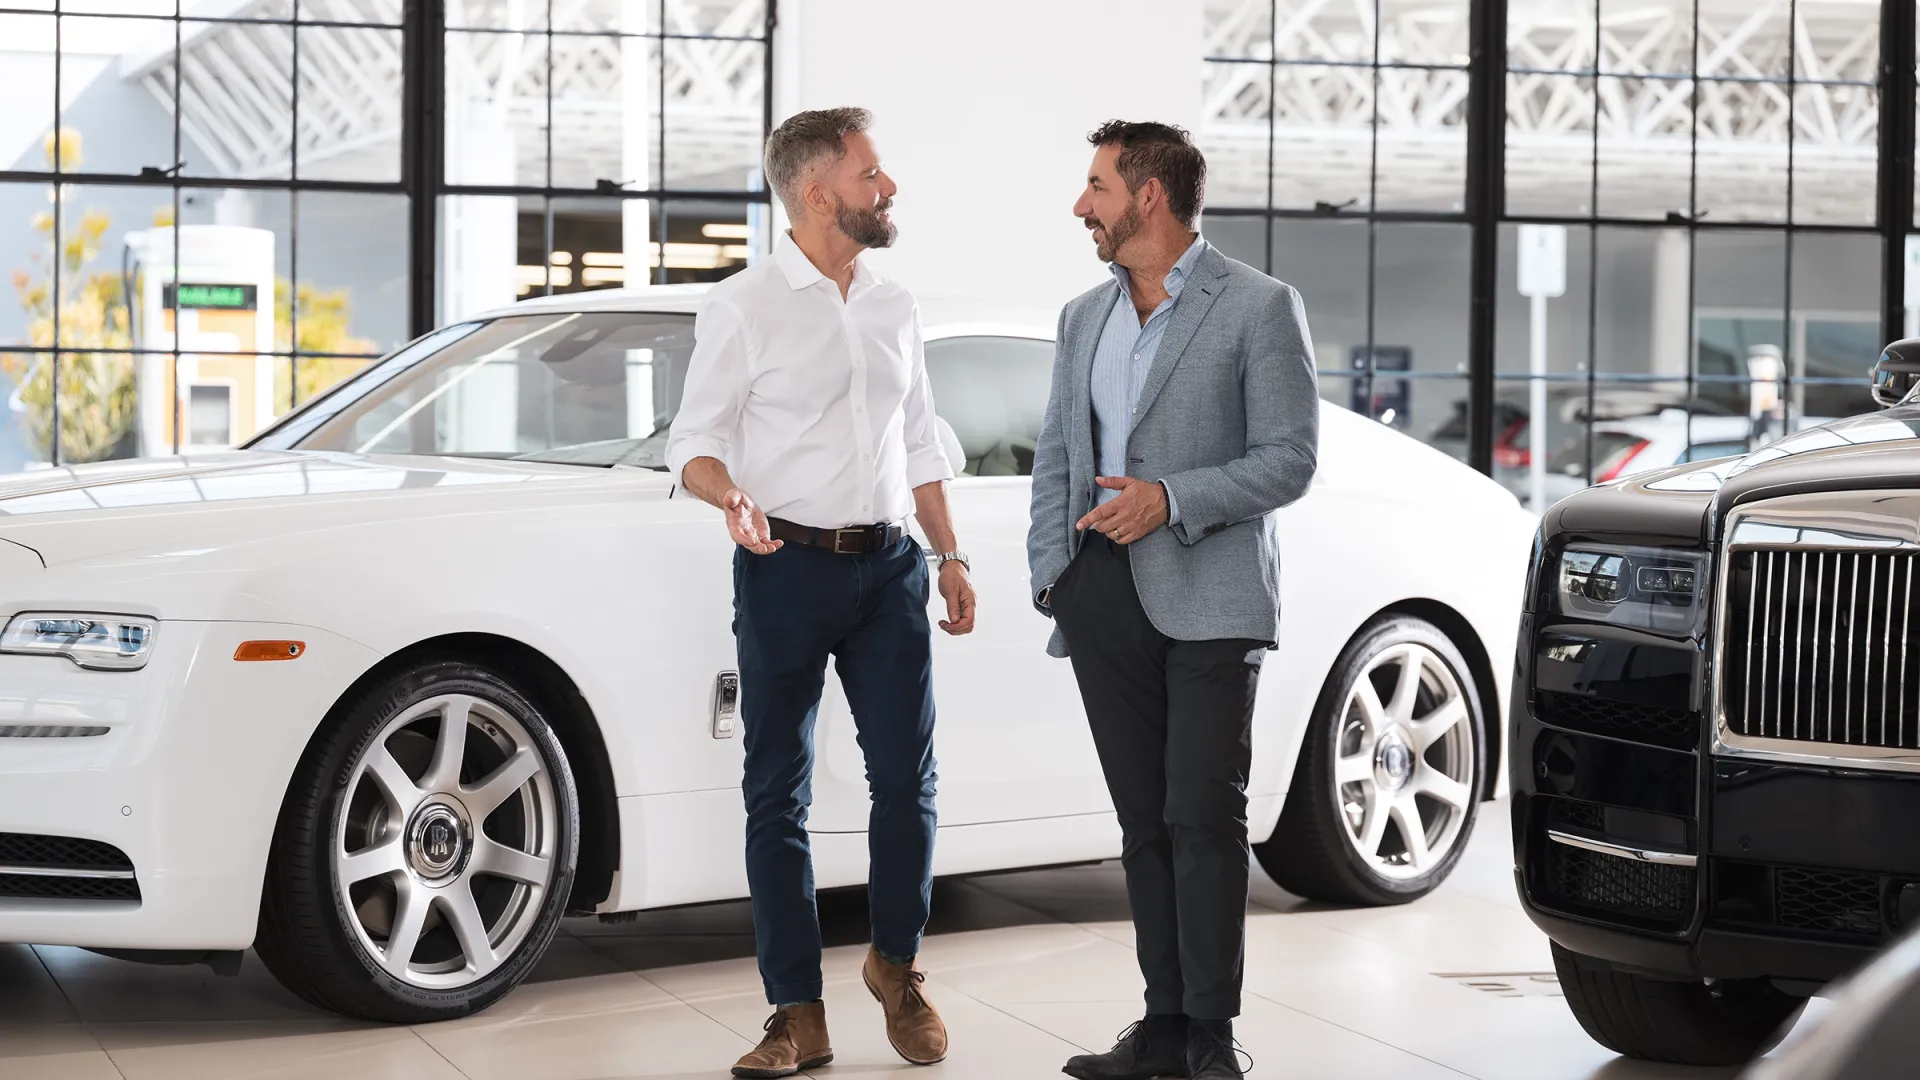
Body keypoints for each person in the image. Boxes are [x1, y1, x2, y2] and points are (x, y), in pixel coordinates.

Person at [666, 106, 976, 1079]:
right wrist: (730, 496)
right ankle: (796, 1013)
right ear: (816, 192)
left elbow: (918, 442)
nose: (888, 188)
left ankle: (896, 963)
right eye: (870, 174)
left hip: (889, 570)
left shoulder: (894, 305)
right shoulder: (743, 306)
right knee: (777, 794)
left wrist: (950, 555)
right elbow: (694, 442)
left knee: (908, 785)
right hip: (785, 569)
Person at [1028, 120, 1319, 1080]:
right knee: (1143, 823)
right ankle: (1159, 1027)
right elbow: (1058, 454)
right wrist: (1054, 578)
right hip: (1101, 593)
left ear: (1148, 196)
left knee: (1202, 815)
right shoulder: (1083, 316)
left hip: (1213, 593)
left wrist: (1171, 499)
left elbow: (1290, 459)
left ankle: (1209, 1035)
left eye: (1098, 187)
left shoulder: (1260, 305)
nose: (1082, 205)